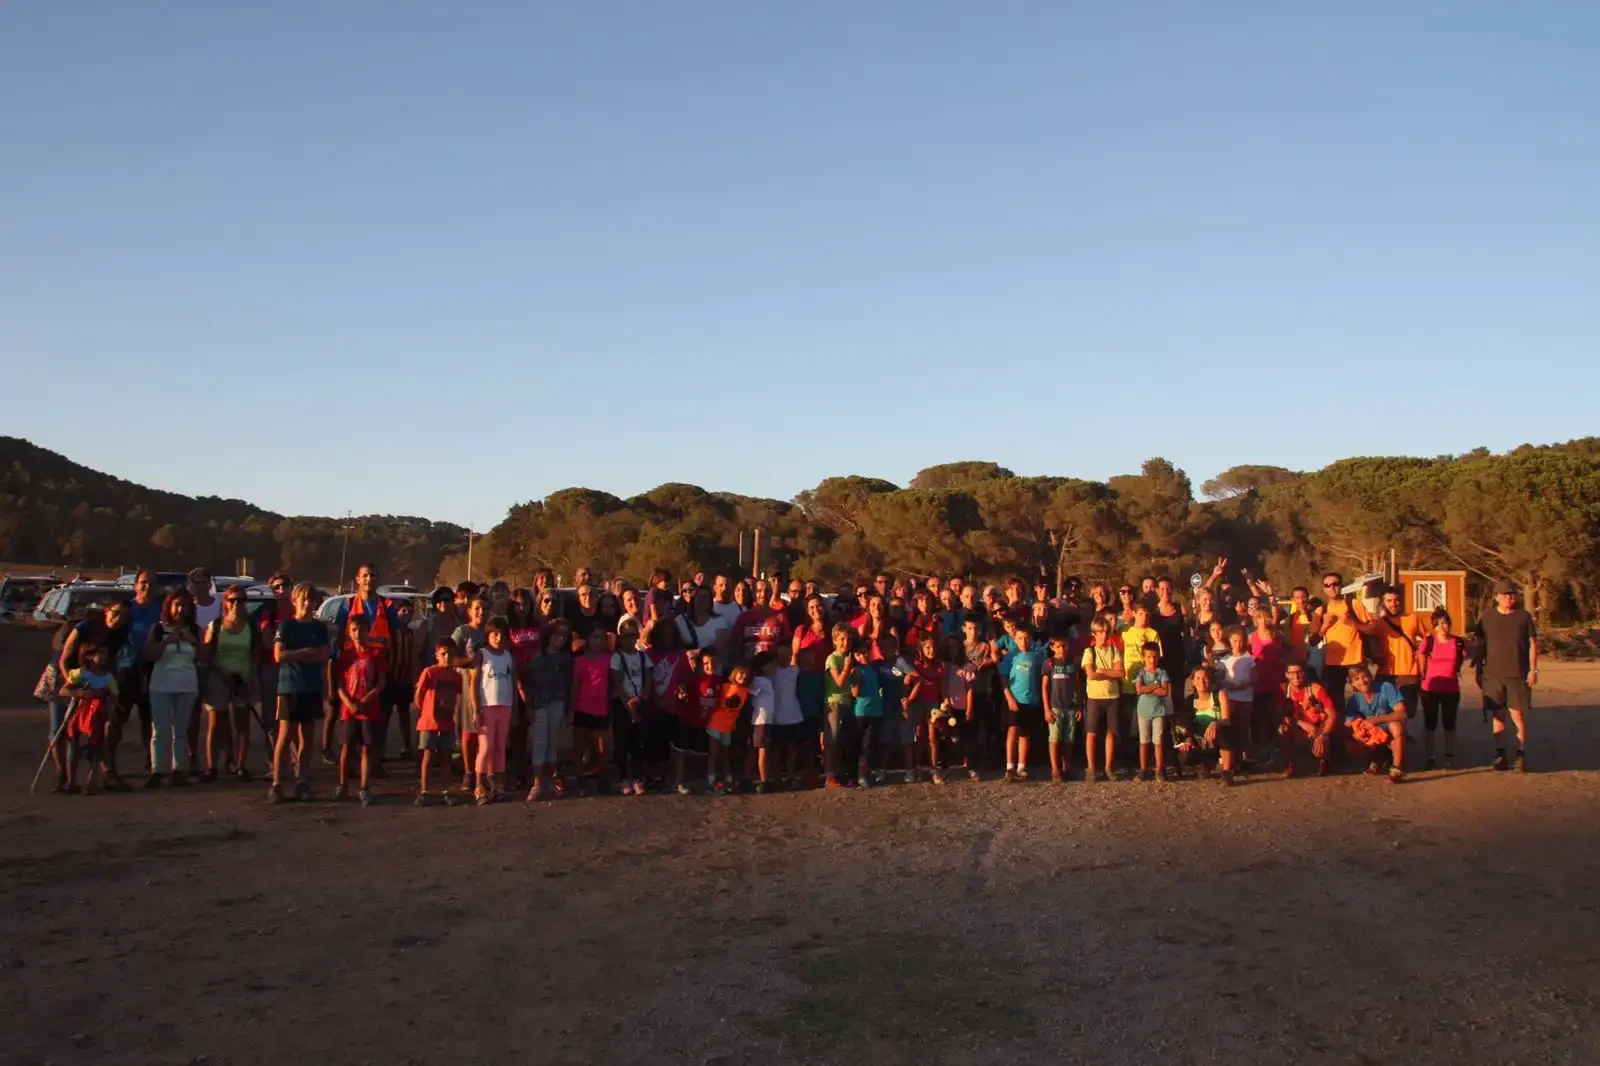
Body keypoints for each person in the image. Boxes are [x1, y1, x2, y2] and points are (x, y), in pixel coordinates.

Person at [53, 600, 131, 791]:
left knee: (95, 735)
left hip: (93, 679)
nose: (118, 618)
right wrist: (77, 684)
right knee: (59, 730)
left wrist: (104, 685)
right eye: (115, 613)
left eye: (123, 615)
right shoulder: (86, 626)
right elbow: (64, 658)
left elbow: (110, 660)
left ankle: (103, 775)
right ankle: (63, 776)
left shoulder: (118, 633)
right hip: (64, 673)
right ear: (106, 611)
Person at [271, 582, 330, 802]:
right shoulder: (286, 626)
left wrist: (295, 654)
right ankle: (277, 782)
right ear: (294, 601)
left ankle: (302, 780)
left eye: (311, 600)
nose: (307, 604)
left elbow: (324, 655)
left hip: (311, 687)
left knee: (307, 738)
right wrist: (305, 652)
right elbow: (279, 656)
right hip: (288, 688)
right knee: (285, 737)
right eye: (303, 599)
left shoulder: (319, 628)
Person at [1475, 580, 1537, 772]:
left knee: (1517, 714)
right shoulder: (1487, 617)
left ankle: (1520, 753)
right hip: (1493, 675)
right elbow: (1480, 646)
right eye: (1504, 594)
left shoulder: (1523, 617)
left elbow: (1533, 644)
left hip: (1518, 674)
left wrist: (1533, 670)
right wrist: (1478, 670)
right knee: (1498, 715)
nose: (1508, 597)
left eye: (1511, 594)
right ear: (1496, 598)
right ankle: (1500, 753)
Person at [200, 588, 257, 782]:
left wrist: (251, 681)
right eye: (232, 600)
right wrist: (220, 674)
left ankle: (240, 765)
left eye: (241, 601)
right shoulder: (216, 626)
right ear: (225, 602)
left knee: (242, 724)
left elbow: (255, 656)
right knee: (216, 724)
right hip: (219, 676)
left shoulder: (252, 627)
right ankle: (212, 767)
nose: (236, 604)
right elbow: (207, 656)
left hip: (242, 678)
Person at [144, 589, 200, 787]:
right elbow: (150, 654)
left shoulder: (194, 630)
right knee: (160, 729)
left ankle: (179, 770)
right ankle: (158, 770)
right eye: (177, 605)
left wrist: (190, 639)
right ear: (169, 606)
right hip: (161, 684)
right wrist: (168, 639)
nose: (180, 609)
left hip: (186, 684)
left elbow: (204, 656)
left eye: (184, 606)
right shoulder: (158, 629)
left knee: (181, 730)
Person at [333, 614, 386, 806]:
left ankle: (364, 787)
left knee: (366, 748)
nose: (357, 634)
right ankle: (343, 784)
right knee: (346, 747)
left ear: (368, 630)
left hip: (369, 709)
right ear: (349, 631)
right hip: (349, 710)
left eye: (361, 630)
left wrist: (364, 701)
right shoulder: (346, 656)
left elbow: (380, 683)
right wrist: (349, 703)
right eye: (354, 630)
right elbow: (339, 685)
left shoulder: (376, 654)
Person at [1358, 585, 1427, 722]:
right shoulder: (1377, 623)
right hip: (1386, 674)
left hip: (1409, 674)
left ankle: (1403, 738)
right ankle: (1393, 740)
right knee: (1385, 711)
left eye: (1396, 600)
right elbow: (1363, 633)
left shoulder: (1413, 618)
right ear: (1383, 602)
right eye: (1389, 601)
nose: (1393, 604)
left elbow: (1427, 639)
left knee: (1407, 712)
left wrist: (1421, 659)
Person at [472, 618, 522, 804]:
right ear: (488, 635)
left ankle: (497, 785)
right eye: (495, 633)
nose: (498, 638)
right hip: (487, 707)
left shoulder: (508, 656)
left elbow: (513, 683)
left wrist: (515, 709)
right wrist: (476, 709)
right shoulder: (482, 654)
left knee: (500, 747)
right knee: (486, 747)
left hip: (505, 706)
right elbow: (474, 684)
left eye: (502, 634)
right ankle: (479, 785)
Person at [60, 643, 118, 794]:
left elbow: (114, 698)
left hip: (99, 717)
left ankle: (91, 781)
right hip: (79, 715)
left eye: (106, 653)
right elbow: (64, 690)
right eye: (101, 652)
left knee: (96, 747)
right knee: (73, 746)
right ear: (89, 656)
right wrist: (81, 693)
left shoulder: (108, 677)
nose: (105, 656)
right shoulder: (80, 674)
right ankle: (71, 781)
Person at [525, 618, 572, 800]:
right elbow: (530, 685)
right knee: (539, 742)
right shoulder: (537, 657)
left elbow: (569, 685)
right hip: (540, 704)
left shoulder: (567, 659)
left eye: (564, 636)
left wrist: (569, 709)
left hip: (558, 702)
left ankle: (550, 782)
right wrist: (529, 706)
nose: (560, 639)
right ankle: (537, 784)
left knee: (553, 742)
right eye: (557, 635)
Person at [412, 639, 462, 806]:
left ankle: (446, 790)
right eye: (443, 654)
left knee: (446, 757)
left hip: (447, 722)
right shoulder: (430, 672)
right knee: (428, 755)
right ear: (437, 655)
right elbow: (419, 695)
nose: (447, 657)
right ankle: (424, 790)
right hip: (429, 722)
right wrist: (424, 713)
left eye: (450, 654)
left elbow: (458, 695)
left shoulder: (456, 676)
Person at [1417, 609, 1466, 770]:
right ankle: (1429, 756)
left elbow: (1462, 657)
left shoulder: (1458, 642)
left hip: (1451, 688)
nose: (1444, 627)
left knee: (1449, 723)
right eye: (1440, 624)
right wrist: (1423, 675)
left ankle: (1449, 755)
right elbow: (1420, 657)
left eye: (1446, 623)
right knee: (1430, 724)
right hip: (1430, 688)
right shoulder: (1429, 641)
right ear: (1434, 626)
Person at [1343, 666, 1408, 783]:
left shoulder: (1386, 687)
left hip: (1388, 729)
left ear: (1371, 677)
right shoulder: (1354, 699)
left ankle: (1396, 768)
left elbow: (1402, 713)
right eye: (1357, 679)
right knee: (1350, 744)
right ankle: (1377, 758)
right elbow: (1348, 724)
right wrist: (1358, 736)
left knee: (1396, 727)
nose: (1362, 681)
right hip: (1372, 734)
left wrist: (1376, 720)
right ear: (1352, 683)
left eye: (1364, 677)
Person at [1316, 573, 1370, 710]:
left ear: (1341, 586)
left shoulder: (1354, 605)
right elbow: (1312, 641)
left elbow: (1371, 629)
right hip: (1333, 662)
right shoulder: (1321, 610)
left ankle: (1365, 728)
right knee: (1335, 701)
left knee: (1363, 698)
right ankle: (1340, 729)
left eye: (1335, 584)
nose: (1332, 587)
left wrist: (1353, 623)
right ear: (1324, 588)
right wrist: (1324, 626)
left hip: (1355, 660)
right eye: (1328, 585)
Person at [610, 618, 651, 796]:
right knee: (621, 742)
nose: (629, 639)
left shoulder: (642, 656)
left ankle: (637, 777)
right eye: (625, 635)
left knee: (638, 743)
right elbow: (617, 684)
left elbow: (648, 679)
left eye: (632, 635)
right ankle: (622, 778)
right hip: (622, 704)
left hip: (639, 701)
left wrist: (641, 698)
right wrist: (629, 707)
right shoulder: (617, 657)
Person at [569, 627, 613, 795]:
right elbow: (575, 686)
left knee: (602, 749)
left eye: (601, 638)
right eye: (595, 637)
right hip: (582, 708)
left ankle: (603, 779)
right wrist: (571, 709)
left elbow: (611, 684)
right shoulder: (580, 661)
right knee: (579, 747)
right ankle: (580, 781)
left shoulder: (609, 659)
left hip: (601, 709)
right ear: (588, 640)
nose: (598, 641)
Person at [1000, 625, 1046, 782]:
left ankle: (1021, 765)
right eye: (1020, 638)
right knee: (1013, 731)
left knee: (1025, 734)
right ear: (1014, 639)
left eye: (1026, 638)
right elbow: (1004, 679)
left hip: (1031, 700)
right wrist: (1009, 698)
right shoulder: (1011, 656)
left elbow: (1042, 678)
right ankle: (1009, 766)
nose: (1023, 641)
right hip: (1014, 699)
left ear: (1031, 639)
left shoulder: (1037, 657)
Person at [1081, 619, 1122, 782]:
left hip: (1112, 696)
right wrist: (1111, 672)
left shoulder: (1114, 651)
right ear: (1094, 634)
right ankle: (1091, 768)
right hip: (1095, 697)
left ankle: (1108, 767)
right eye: (1101, 633)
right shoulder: (1089, 652)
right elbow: (1091, 674)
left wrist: (1103, 671)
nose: (1104, 636)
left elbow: (1120, 673)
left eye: (1107, 632)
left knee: (1111, 733)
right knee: (1091, 733)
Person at [934, 635, 979, 783]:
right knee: (947, 738)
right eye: (950, 647)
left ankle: (972, 767)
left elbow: (969, 689)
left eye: (955, 647)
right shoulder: (944, 666)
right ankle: (945, 766)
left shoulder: (965, 666)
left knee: (968, 739)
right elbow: (943, 685)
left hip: (963, 706)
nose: (953, 650)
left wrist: (970, 708)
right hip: (948, 708)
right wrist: (946, 701)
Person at [1279, 662, 1336, 778]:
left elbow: (1332, 714)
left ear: (1304, 673)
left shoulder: (1316, 689)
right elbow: (1278, 714)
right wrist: (1300, 723)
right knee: (1282, 729)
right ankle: (1289, 763)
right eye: (1292, 673)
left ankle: (1324, 759)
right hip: (1296, 728)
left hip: (1316, 729)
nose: (1296, 676)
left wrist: (1323, 736)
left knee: (1320, 750)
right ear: (1286, 675)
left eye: (1299, 672)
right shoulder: (1283, 690)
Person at [1174, 665, 1226, 779]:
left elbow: (1228, 719)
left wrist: (1215, 723)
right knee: (1184, 755)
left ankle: (1225, 767)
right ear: (1192, 681)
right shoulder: (1190, 700)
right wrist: (1187, 739)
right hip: (1199, 738)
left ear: (1210, 680)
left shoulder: (1218, 696)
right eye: (1197, 678)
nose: (1201, 681)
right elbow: (1186, 722)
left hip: (1219, 736)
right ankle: (1205, 764)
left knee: (1223, 735)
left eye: (1205, 677)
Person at [1217, 627, 1255, 780]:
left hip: (1245, 697)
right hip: (1230, 697)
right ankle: (1229, 762)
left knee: (1243, 728)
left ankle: (1243, 760)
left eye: (1240, 641)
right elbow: (1218, 678)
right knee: (1230, 729)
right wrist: (1228, 684)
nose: (1237, 644)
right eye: (1234, 641)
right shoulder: (1224, 660)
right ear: (1229, 642)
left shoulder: (1249, 659)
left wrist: (1245, 683)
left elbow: (1254, 677)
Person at [707, 662, 752, 794]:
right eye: (741, 674)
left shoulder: (746, 691)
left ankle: (728, 778)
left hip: (728, 726)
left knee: (725, 753)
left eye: (746, 676)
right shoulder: (725, 687)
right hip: (716, 723)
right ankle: (711, 778)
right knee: (714, 752)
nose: (744, 677)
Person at [1041, 633, 1080, 783]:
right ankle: (1055, 769)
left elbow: (1077, 686)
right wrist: (1046, 709)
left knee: (1068, 739)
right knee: (1055, 738)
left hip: (1070, 706)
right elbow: (1044, 687)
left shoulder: (1072, 663)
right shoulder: (1049, 663)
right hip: (1055, 706)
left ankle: (1066, 767)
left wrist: (1078, 706)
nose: (1061, 649)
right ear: (1052, 647)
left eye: (1064, 646)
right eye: (1058, 646)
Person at [1132, 642, 1171, 782]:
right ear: (1143, 657)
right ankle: (1143, 769)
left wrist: (1147, 688)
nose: (1151, 660)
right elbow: (1139, 689)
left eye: (1154, 656)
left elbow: (1164, 691)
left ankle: (1159, 769)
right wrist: (1155, 686)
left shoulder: (1162, 673)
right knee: (1144, 741)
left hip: (1158, 711)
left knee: (1158, 741)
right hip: (1143, 711)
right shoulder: (1141, 673)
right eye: (1148, 657)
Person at [770, 644, 805, 790]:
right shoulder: (772, 672)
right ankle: (777, 778)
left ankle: (790, 776)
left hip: (793, 715)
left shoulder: (795, 670)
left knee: (792, 747)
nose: (784, 658)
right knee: (776, 748)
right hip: (776, 716)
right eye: (781, 656)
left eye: (787, 656)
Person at [848, 643, 881, 788]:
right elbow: (855, 693)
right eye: (858, 654)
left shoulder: (872, 670)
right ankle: (856, 775)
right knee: (857, 746)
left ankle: (865, 773)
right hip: (860, 712)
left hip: (874, 712)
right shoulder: (856, 671)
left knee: (868, 746)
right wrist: (856, 680)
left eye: (865, 652)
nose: (863, 656)